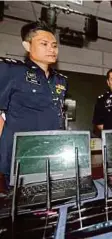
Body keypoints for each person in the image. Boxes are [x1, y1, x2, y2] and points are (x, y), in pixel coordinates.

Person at [0, 21, 67, 187]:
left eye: (54, 45)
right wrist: (9, 146)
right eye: (44, 44)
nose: (51, 49)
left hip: (52, 156)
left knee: (54, 206)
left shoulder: (61, 80)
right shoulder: (11, 70)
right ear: (27, 45)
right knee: (22, 208)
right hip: (21, 158)